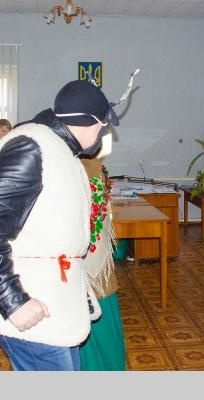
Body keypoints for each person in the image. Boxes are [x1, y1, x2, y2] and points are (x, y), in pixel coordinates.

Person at [0, 79, 122, 371]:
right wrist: (11, 300)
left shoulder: (59, 148)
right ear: (90, 122)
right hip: (28, 303)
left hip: (52, 302)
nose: (104, 133)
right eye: (103, 126)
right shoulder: (30, 146)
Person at [78, 156, 126, 371]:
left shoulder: (83, 169)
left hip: (90, 266)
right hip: (94, 264)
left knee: (95, 319)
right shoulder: (94, 168)